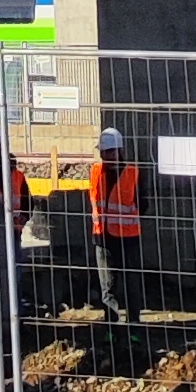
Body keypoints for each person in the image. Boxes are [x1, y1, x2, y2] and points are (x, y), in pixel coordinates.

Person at [87, 121, 145, 348]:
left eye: (107, 152)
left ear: (118, 151)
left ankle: (134, 328)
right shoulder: (95, 172)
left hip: (128, 238)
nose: (105, 157)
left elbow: (143, 205)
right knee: (107, 286)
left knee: (131, 284)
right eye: (103, 153)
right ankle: (111, 328)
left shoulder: (133, 173)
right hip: (103, 237)